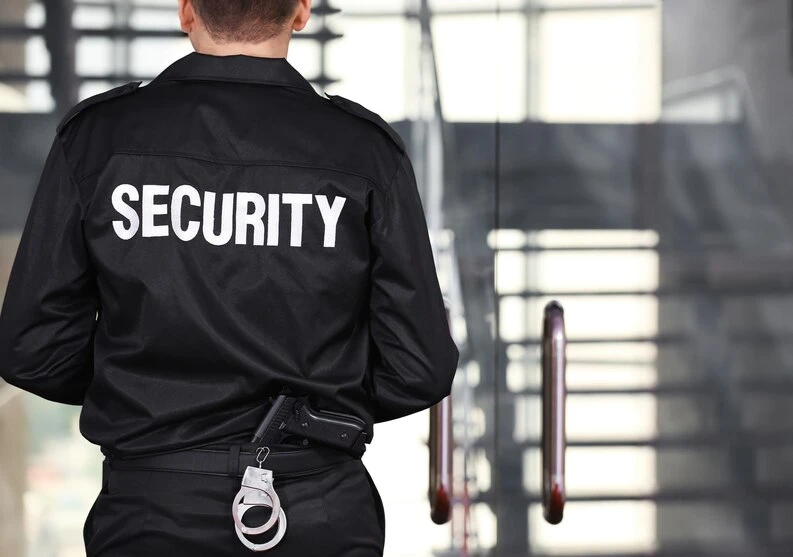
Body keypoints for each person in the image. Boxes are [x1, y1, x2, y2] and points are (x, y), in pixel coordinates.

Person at [0, 0, 460, 555]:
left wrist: (140, 395)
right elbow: (421, 367)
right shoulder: (362, 149)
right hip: (318, 508)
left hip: (151, 509)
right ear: (301, 12)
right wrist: (319, 411)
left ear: (186, 11)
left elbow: (32, 348)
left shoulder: (100, 138)